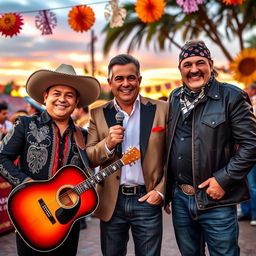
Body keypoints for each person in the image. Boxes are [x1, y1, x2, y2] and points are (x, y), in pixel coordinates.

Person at [164, 40, 256, 256]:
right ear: (180, 68)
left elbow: (252, 144)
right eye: (187, 64)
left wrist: (223, 180)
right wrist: (167, 191)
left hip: (217, 200)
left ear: (211, 64)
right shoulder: (174, 97)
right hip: (181, 199)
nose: (194, 69)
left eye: (200, 63)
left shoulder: (231, 96)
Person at [0, 63, 100, 256]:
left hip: (67, 222)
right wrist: (25, 183)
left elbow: (87, 174)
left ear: (77, 101)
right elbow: (1, 157)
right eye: (56, 93)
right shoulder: (26, 125)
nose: (62, 99)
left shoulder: (84, 136)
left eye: (69, 95)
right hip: (31, 218)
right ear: (46, 96)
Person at [86, 54, 168, 256]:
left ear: (139, 80)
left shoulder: (162, 109)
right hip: (112, 202)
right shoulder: (97, 113)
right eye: (119, 79)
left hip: (147, 198)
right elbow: (90, 156)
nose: (125, 84)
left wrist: (160, 190)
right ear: (110, 82)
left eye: (131, 78)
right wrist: (109, 144)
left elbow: (173, 155)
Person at [238, 82, 256, 226]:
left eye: (247, 88)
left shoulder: (250, 103)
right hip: (242, 148)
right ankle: (246, 211)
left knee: (252, 184)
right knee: (244, 182)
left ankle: (254, 214)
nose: (245, 90)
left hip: (251, 149)